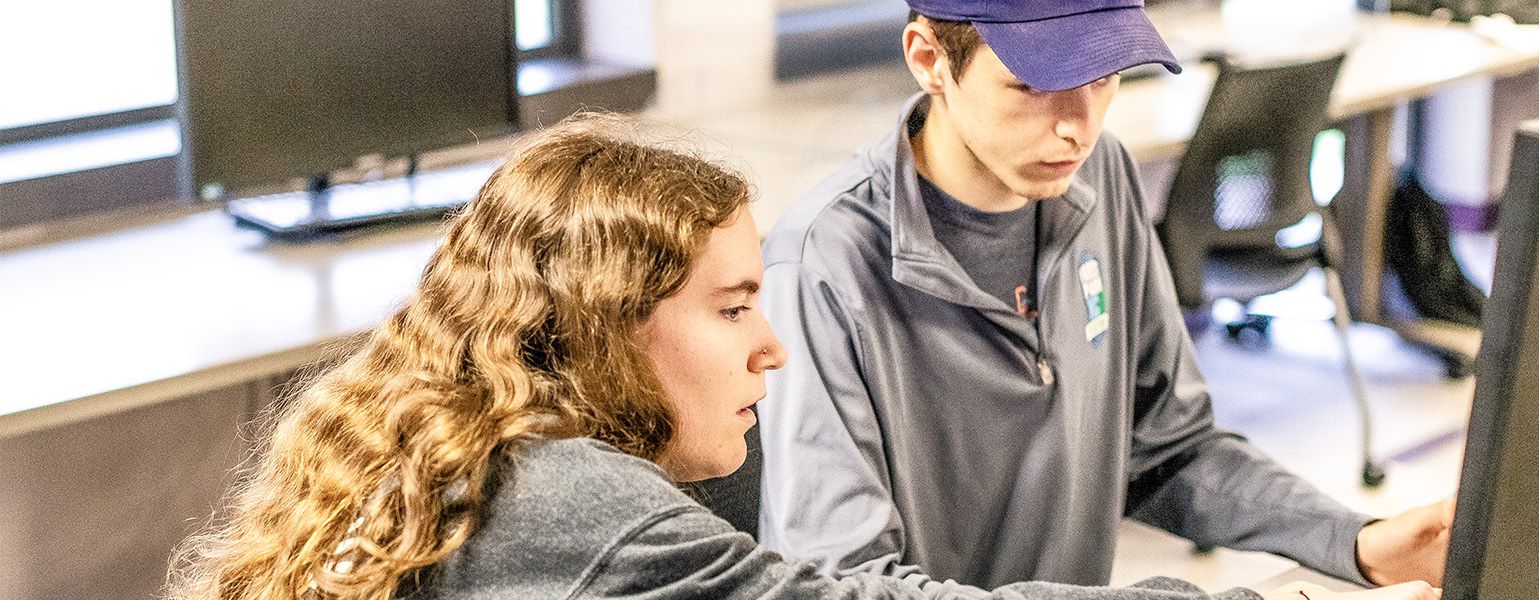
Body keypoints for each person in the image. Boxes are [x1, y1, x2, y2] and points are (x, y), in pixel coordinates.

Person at [163, 113, 1412, 600]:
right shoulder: (588, 511)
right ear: (606, 326)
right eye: (730, 309)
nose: (772, 347)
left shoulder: (479, 453)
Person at [752, 0, 1454, 596]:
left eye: (1105, 76)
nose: (1078, 127)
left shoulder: (1100, 178)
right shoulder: (821, 265)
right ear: (930, 58)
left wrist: (1355, 540)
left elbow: (1168, 451)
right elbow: (844, 585)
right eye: (1032, 85)